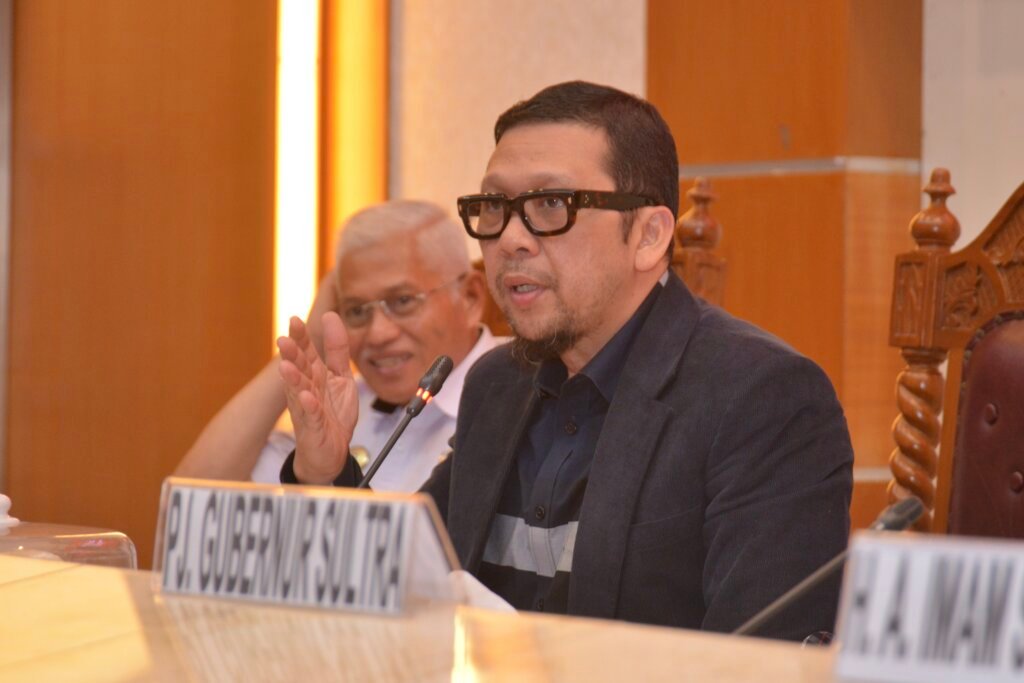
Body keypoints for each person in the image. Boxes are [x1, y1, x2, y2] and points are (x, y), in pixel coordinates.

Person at [277, 81, 854, 640]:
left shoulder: (762, 399)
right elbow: (405, 585)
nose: (510, 239)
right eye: (494, 207)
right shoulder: (498, 384)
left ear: (649, 236)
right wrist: (324, 473)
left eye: (552, 205)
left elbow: (763, 662)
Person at [175, 200, 500, 491]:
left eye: (402, 301)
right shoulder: (336, 408)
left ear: (470, 297)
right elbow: (190, 503)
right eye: (357, 310)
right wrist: (309, 342)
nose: (378, 334)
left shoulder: (517, 397)